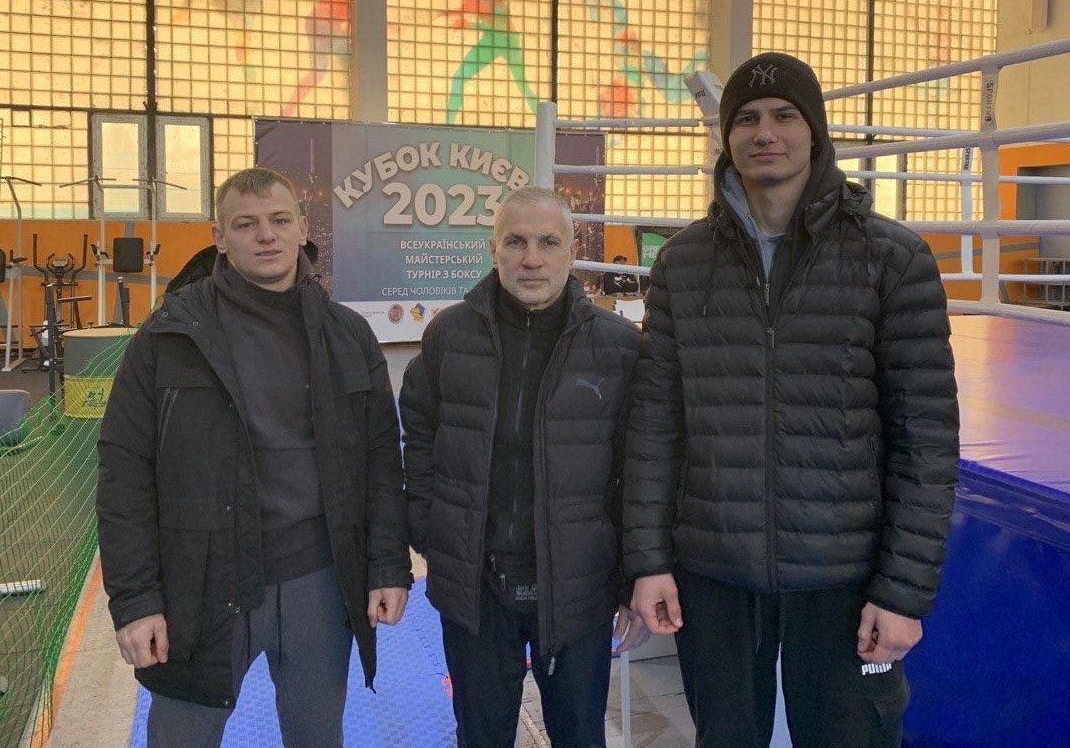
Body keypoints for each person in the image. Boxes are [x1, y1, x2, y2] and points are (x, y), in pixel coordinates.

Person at [623, 52, 960, 747]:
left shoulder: (891, 258)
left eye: (784, 116)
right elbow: (656, 426)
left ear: (815, 132)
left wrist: (901, 591)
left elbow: (925, 439)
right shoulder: (683, 263)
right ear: (727, 137)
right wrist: (650, 559)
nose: (765, 133)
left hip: (844, 574)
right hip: (715, 568)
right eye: (746, 119)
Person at [97, 167, 412, 747]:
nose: (266, 235)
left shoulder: (348, 335)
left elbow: (379, 463)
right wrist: (136, 601)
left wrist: (388, 565)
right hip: (201, 583)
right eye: (246, 224)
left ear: (303, 229)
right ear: (219, 237)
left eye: (279, 220)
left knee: (317, 737)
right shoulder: (169, 337)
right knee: (181, 737)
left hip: (319, 580)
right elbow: (124, 472)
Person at [399, 186, 649, 747]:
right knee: (481, 735)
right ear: (494, 250)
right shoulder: (449, 337)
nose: (531, 258)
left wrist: (635, 572)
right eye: (515, 242)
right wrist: (431, 531)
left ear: (571, 252)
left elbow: (640, 471)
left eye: (547, 243)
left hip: (579, 587)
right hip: (477, 588)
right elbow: (420, 435)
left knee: (579, 735)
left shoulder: (618, 349)